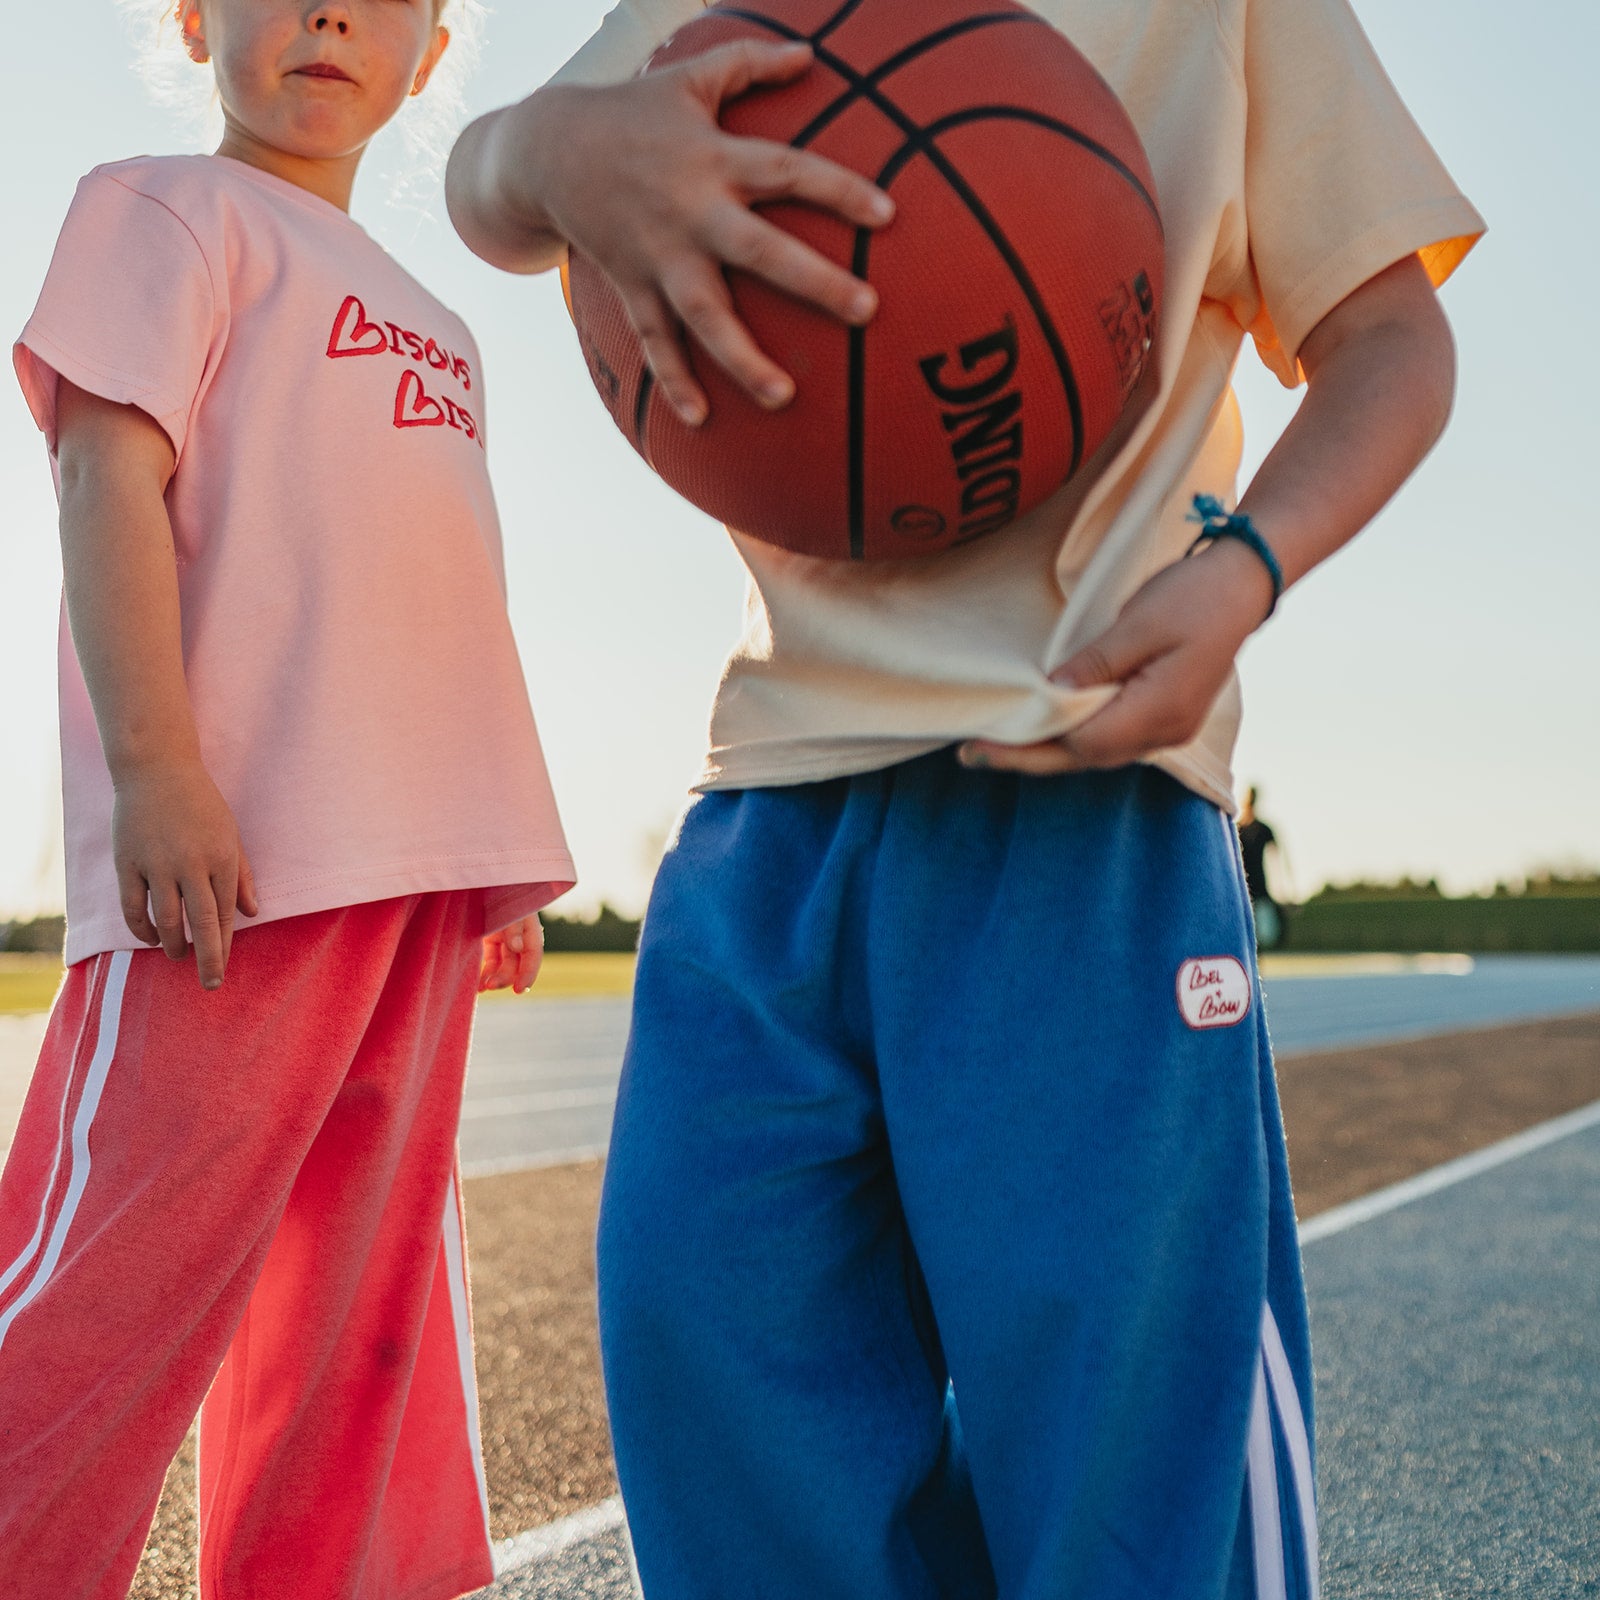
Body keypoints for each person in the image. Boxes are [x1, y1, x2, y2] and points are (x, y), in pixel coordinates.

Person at [447, 2, 1483, 1594]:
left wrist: (1247, 568)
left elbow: (1393, 340)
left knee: (1125, 1468)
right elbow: (490, 192)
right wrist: (544, 147)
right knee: (718, 1384)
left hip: (1086, 796)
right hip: (771, 805)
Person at [0, 2, 576, 1595]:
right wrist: (156, 770)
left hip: (416, 892)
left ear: (434, 46)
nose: (331, 11)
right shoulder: (164, 210)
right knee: (100, 1299)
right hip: (228, 874)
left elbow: (438, 592)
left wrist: (497, 866)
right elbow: (101, 475)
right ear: (194, 19)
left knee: (359, 1321)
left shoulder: (439, 327)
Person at [1238, 786, 1287, 951]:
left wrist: (1283, 891)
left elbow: (1277, 860)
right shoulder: (1236, 829)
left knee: (1261, 939)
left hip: (1259, 889)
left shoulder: (1263, 829)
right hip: (1240, 891)